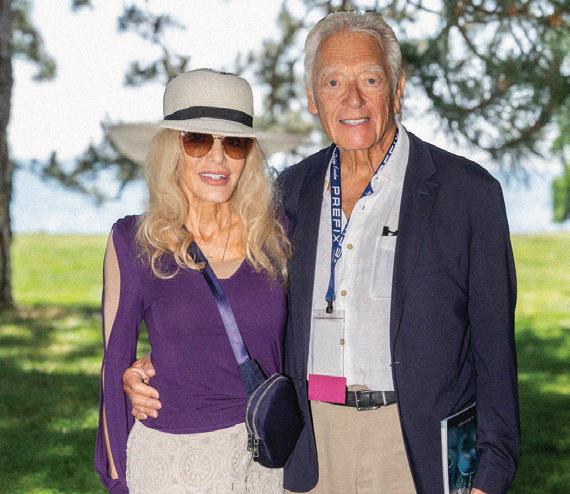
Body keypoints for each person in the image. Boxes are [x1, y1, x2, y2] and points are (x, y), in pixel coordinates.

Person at [124, 11, 520, 494]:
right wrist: (155, 367)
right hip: (310, 449)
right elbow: (236, 303)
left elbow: (495, 354)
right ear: (313, 98)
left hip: (416, 451)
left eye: (370, 79)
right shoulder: (288, 195)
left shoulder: (467, 194)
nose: (352, 99)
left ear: (396, 91)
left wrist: (489, 476)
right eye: (333, 82)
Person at [94, 68, 290, 494]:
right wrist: (118, 481)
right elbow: (114, 366)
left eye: (233, 143)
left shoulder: (278, 236)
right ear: (171, 149)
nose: (217, 158)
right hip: (173, 465)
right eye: (198, 140)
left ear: (249, 155)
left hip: (266, 464)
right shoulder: (133, 241)